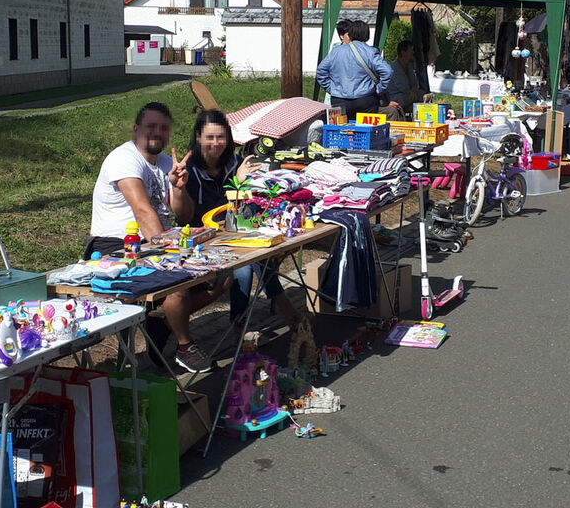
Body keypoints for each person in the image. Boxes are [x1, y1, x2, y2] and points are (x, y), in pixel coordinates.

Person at [88, 102, 228, 373]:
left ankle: (161, 323)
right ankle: (185, 345)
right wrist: (172, 257)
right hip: (116, 246)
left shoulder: (165, 163)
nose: (158, 133)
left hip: (155, 242)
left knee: (223, 275)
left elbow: (185, 215)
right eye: (151, 127)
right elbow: (142, 211)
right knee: (178, 281)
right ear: (136, 129)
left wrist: (177, 189)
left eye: (164, 128)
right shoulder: (124, 158)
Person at [171, 110, 302, 328]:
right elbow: (188, 217)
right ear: (197, 137)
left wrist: (248, 184)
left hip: (234, 233)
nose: (216, 143)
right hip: (201, 241)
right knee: (244, 267)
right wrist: (236, 186)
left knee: (262, 250)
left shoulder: (236, 162)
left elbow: (247, 209)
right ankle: (242, 326)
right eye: (209, 137)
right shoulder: (188, 170)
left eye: (221, 137)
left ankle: (265, 313)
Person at [316, 20, 393, 118]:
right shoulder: (370, 52)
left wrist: (331, 88)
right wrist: (379, 89)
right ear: (367, 35)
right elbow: (387, 71)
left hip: (339, 99)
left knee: (341, 130)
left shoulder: (336, 52)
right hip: (365, 99)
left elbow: (320, 71)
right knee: (366, 130)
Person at [385, 41, 422, 121]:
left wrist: (414, 90)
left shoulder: (409, 65)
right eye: (411, 50)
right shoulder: (394, 67)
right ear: (403, 52)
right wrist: (411, 92)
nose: (413, 52)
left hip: (409, 93)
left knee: (422, 94)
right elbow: (402, 86)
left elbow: (415, 83)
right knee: (414, 97)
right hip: (395, 97)